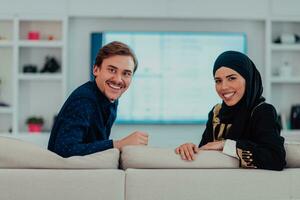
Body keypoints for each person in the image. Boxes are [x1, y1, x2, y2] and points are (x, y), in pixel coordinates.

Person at [175, 51, 286, 170]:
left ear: (247, 79)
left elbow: (276, 158)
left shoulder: (262, 111)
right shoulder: (216, 112)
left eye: (231, 78)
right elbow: (206, 150)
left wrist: (226, 145)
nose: (223, 87)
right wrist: (191, 149)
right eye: (218, 81)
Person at [48, 41, 148, 157]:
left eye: (126, 73)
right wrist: (119, 144)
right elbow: (64, 150)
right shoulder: (84, 100)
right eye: (112, 70)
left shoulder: (110, 98)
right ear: (96, 70)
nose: (118, 80)